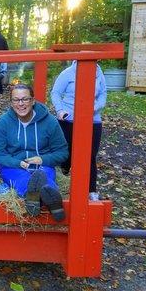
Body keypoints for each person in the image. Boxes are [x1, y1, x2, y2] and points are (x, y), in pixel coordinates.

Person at [0, 84, 68, 221]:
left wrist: (43, 159)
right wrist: (17, 163)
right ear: (11, 103)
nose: (20, 104)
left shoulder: (50, 122)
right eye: (16, 100)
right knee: (20, 178)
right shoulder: (3, 122)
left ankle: (33, 198)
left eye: (25, 99)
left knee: (43, 174)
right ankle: (50, 198)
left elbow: (62, 152)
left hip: (42, 165)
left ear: (33, 101)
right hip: (14, 166)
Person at [50, 61, 107, 201]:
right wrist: (60, 110)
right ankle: (61, 181)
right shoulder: (68, 73)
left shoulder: (99, 74)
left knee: (90, 156)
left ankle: (91, 190)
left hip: (92, 119)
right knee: (66, 154)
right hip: (69, 118)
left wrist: (94, 107)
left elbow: (103, 94)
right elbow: (56, 92)